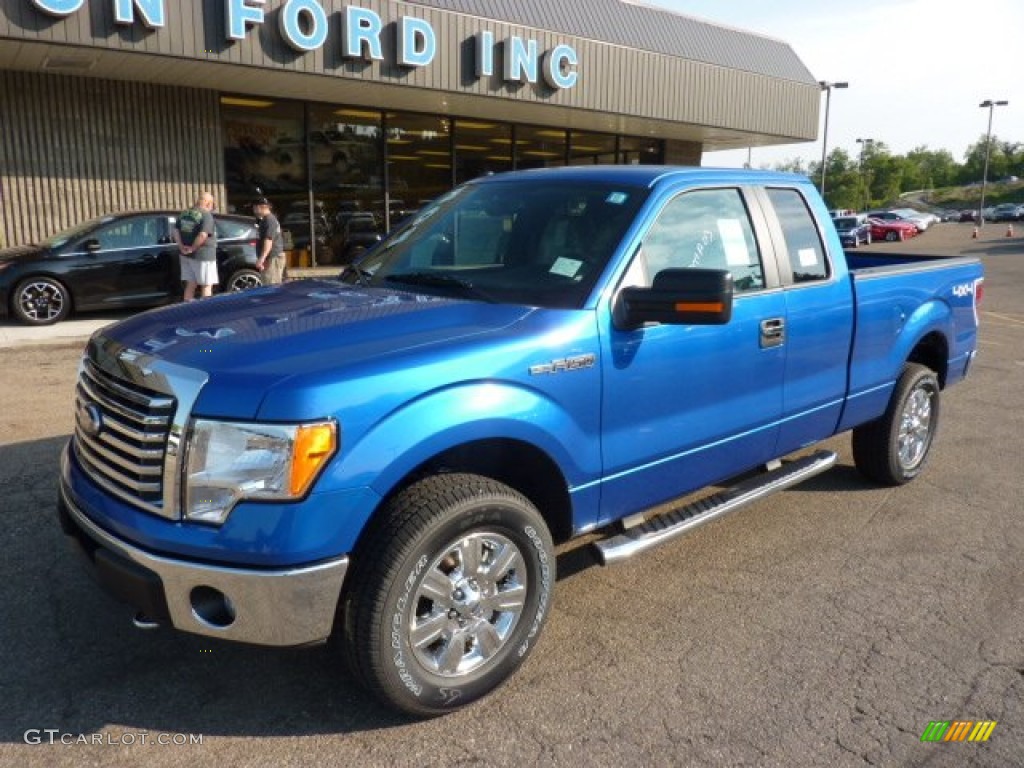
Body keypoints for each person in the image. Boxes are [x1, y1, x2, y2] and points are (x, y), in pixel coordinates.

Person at [173, 192, 218, 300]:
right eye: (212, 204)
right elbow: (203, 235)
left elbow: (175, 231)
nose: (212, 207)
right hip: (203, 255)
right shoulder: (206, 215)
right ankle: (206, 313)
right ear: (208, 203)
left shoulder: (184, 213)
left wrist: (181, 247)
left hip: (185, 255)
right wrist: (193, 248)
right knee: (206, 285)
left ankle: (187, 310)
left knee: (191, 284)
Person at [253, 197, 286, 285]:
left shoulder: (269, 221)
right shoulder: (265, 220)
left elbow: (268, 240)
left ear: (262, 207)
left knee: (271, 286)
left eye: (255, 207)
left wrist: (262, 258)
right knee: (268, 284)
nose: (254, 210)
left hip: (273, 258)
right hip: (270, 258)